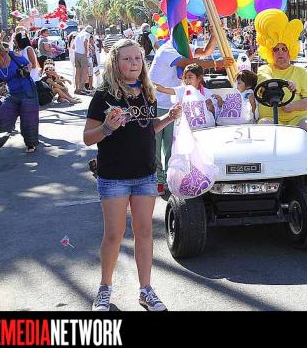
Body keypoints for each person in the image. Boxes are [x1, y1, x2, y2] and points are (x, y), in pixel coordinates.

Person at [84, 38, 182, 312]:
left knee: (145, 232)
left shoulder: (147, 92)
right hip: (114, 176)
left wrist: (169, 118)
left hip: (145, 175)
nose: (133, 63)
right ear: (115, 63)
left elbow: (146, 128)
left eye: (137, 58)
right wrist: (107, 128)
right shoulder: (104, 95)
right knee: (114, 235)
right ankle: (104, 289)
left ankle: (146, 290)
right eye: (127, 59)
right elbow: (88, 138)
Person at [149, 33, 232, 197]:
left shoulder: (184, 48)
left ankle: (172, 179)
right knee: (155, 146)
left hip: (175, 108)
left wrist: (215, 34)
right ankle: (158, 180)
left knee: (171, 147)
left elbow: (205, 52)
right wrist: (217, 64)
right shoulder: (167, 50)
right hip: (158, 105)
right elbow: (188, 63)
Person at [255, 15, 307, 142]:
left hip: (297, 118)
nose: (280, 52)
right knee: (264, 126)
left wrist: (293, 106)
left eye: (284, 49)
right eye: (276, 49)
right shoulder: (265, 69)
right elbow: (264, 80)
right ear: (270, 52)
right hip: (270, 118)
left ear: (290, 51)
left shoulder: (300, 72)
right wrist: (284, 84)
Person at [74, 26, 92, 94]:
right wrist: (86, 51)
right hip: (83, 54)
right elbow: (85, 41)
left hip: (76, 53)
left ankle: (77, 88)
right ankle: (82, 88)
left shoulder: (78, 34)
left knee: (77, 72)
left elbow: (73, 46)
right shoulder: (87, 34)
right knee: (85, 72)